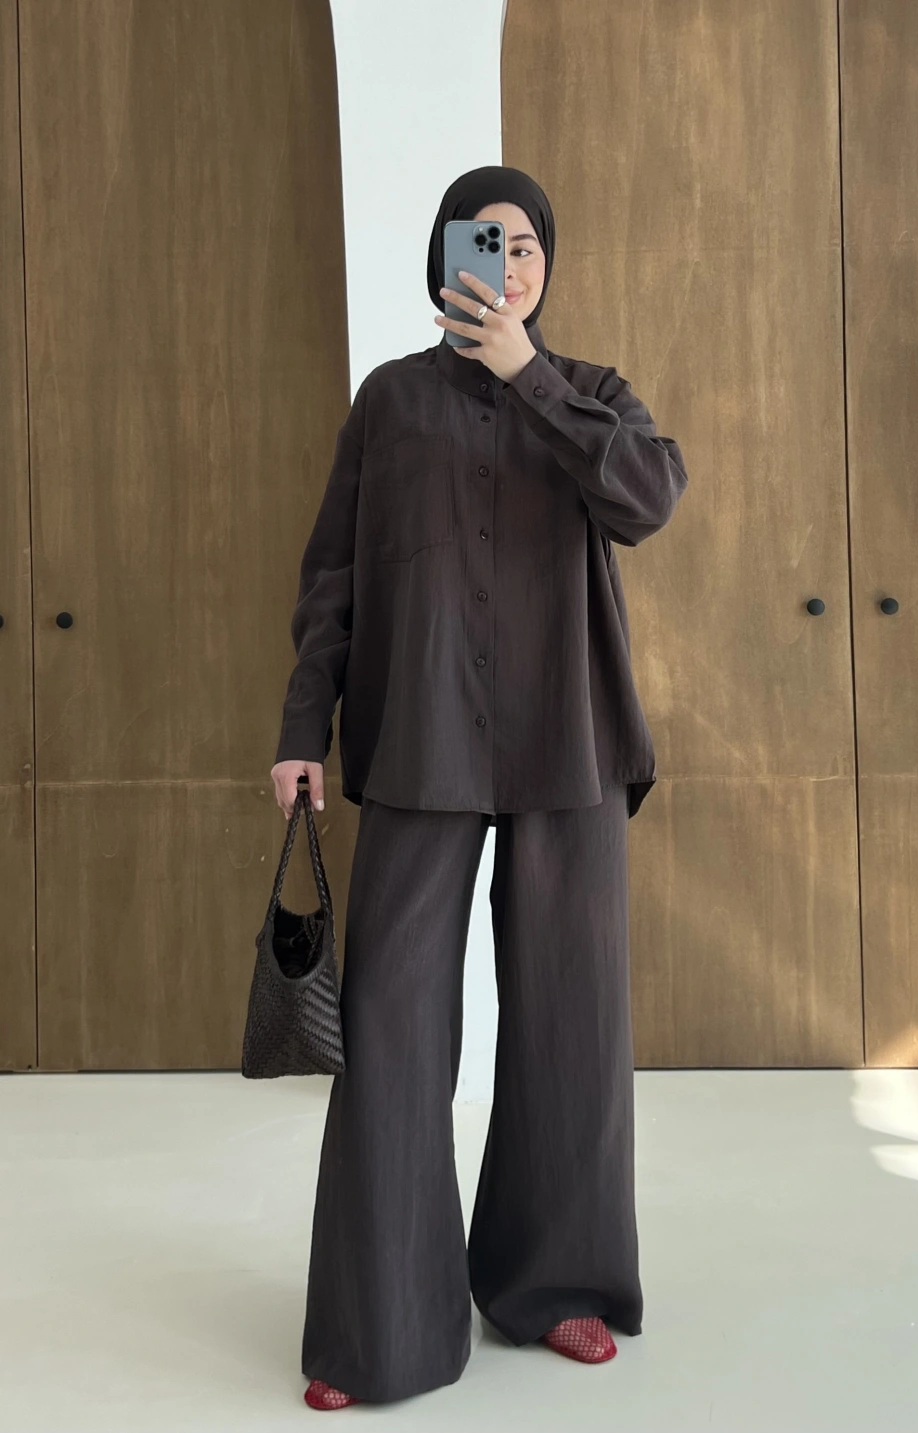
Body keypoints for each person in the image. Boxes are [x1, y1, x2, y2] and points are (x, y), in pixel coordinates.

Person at [270, 165, 688, 1410]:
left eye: (525, 246)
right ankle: (378, 1325)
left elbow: (647, 498)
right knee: (391, 1025)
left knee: (569, 1020)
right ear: (442, 254)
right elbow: (334, 577)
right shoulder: (391, 402)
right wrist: (301, 727)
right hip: (421, 740)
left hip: (570, 742)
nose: (505, 263)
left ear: (547, 267)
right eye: (482, 239)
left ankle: (555, 1284)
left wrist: (529, 376)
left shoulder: (591, 392)